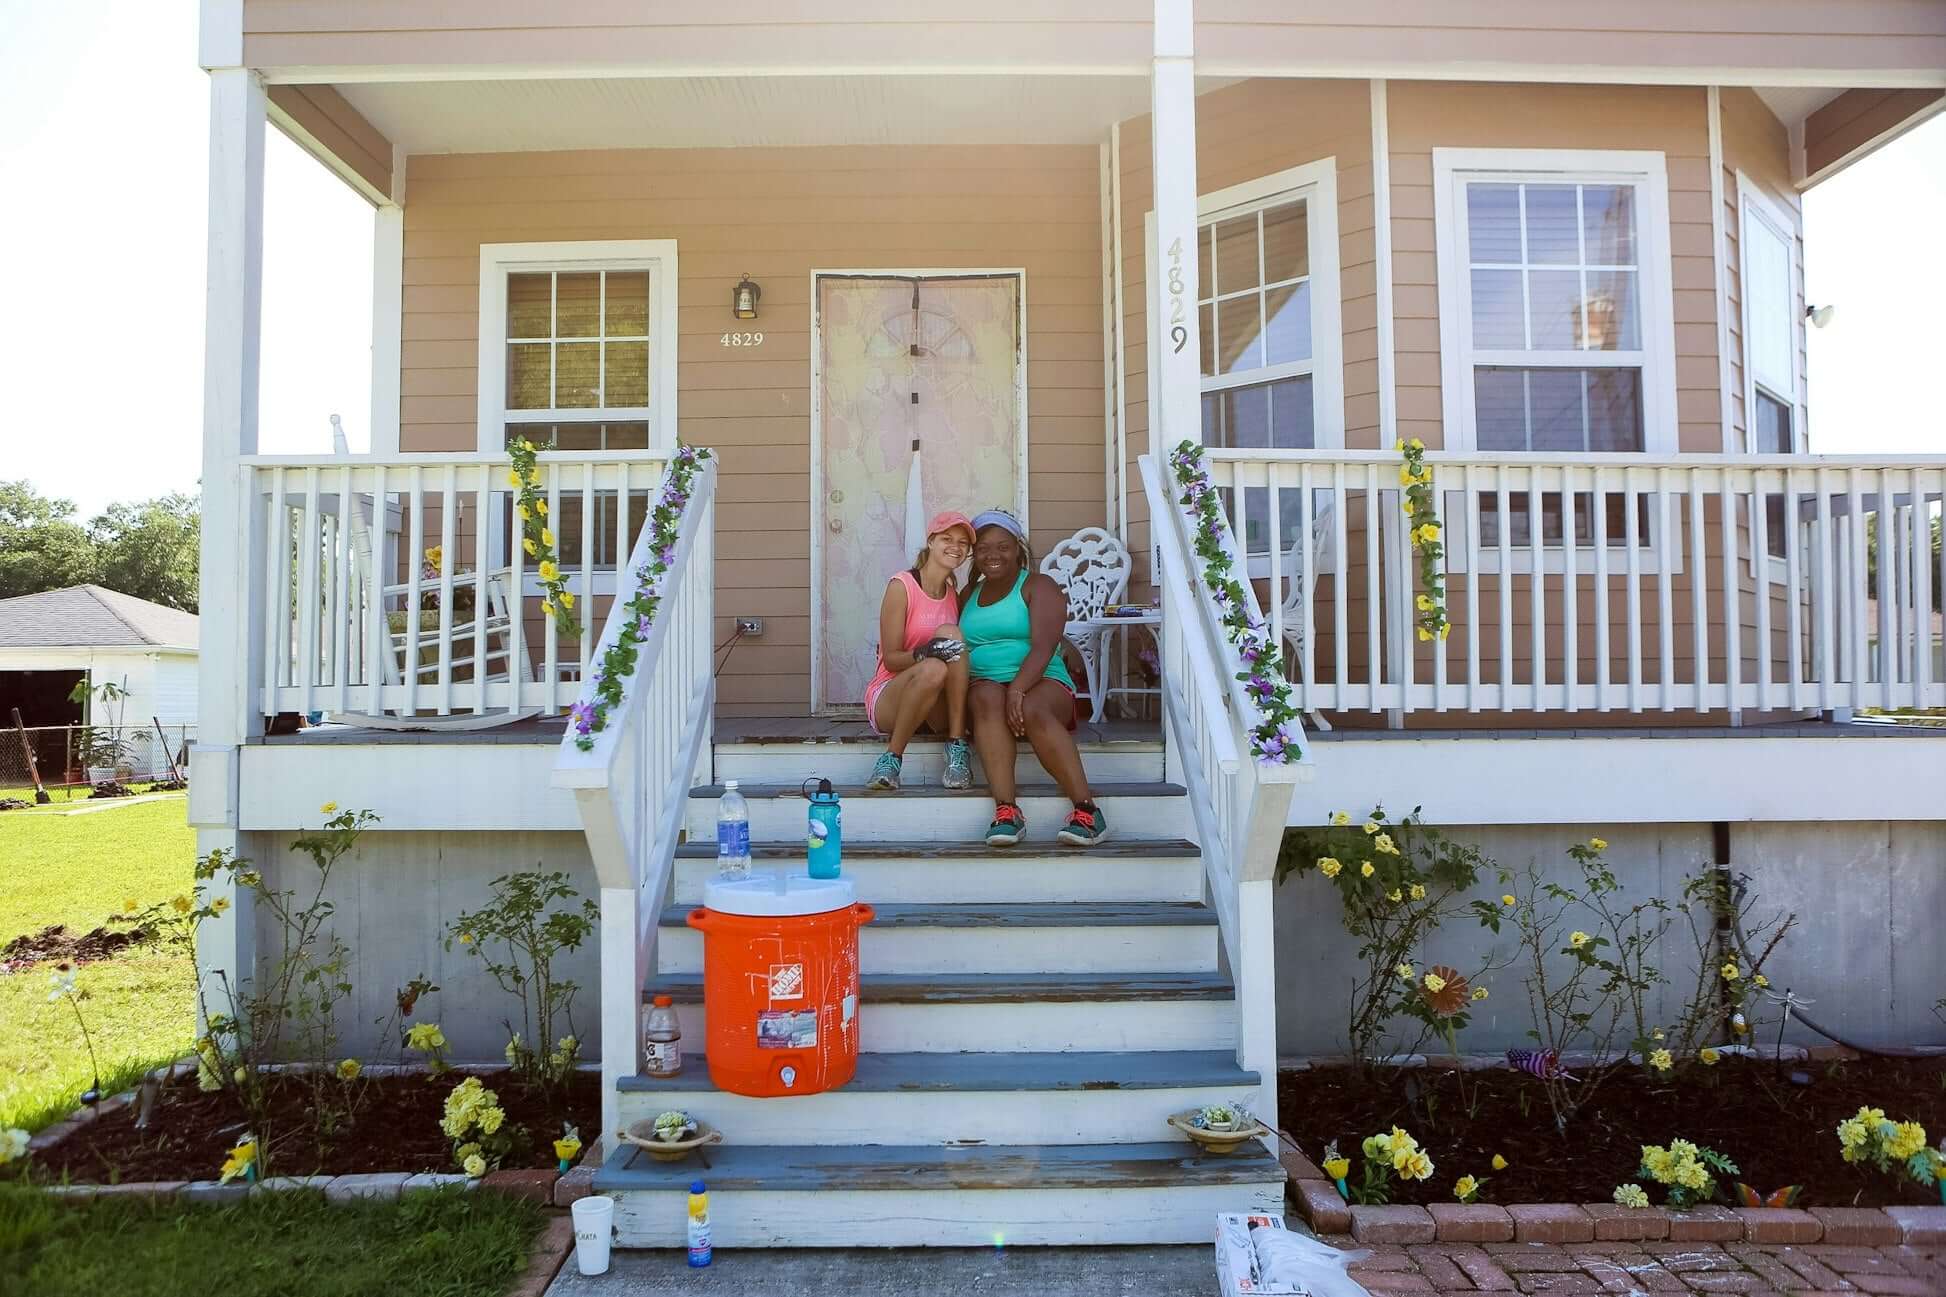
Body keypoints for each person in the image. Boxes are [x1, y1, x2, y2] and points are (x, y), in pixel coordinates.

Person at [959, 509, 1106, 847]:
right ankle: (1007, 812)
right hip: (986, 685)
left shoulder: (1039, 586)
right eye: (982, 548)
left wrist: (1017, 690)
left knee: (1033, 708)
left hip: (1042, 681)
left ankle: (1087, 811)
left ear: (1018, 548)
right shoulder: (968, 595)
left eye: (1002, 546)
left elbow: (1044, 646)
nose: (992, 555)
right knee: (983, 698)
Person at [863, 511, 977, 791]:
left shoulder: (953, 593)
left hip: (933, 704)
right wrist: (925, 652)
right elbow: (890, 659)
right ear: (931, 541)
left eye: (963, 543)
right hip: (891, 695)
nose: (955, 547)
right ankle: (891, 760)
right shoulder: (902, 586)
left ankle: (956, 748)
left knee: (951, 636)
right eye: (947, 539)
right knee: (934, 666)